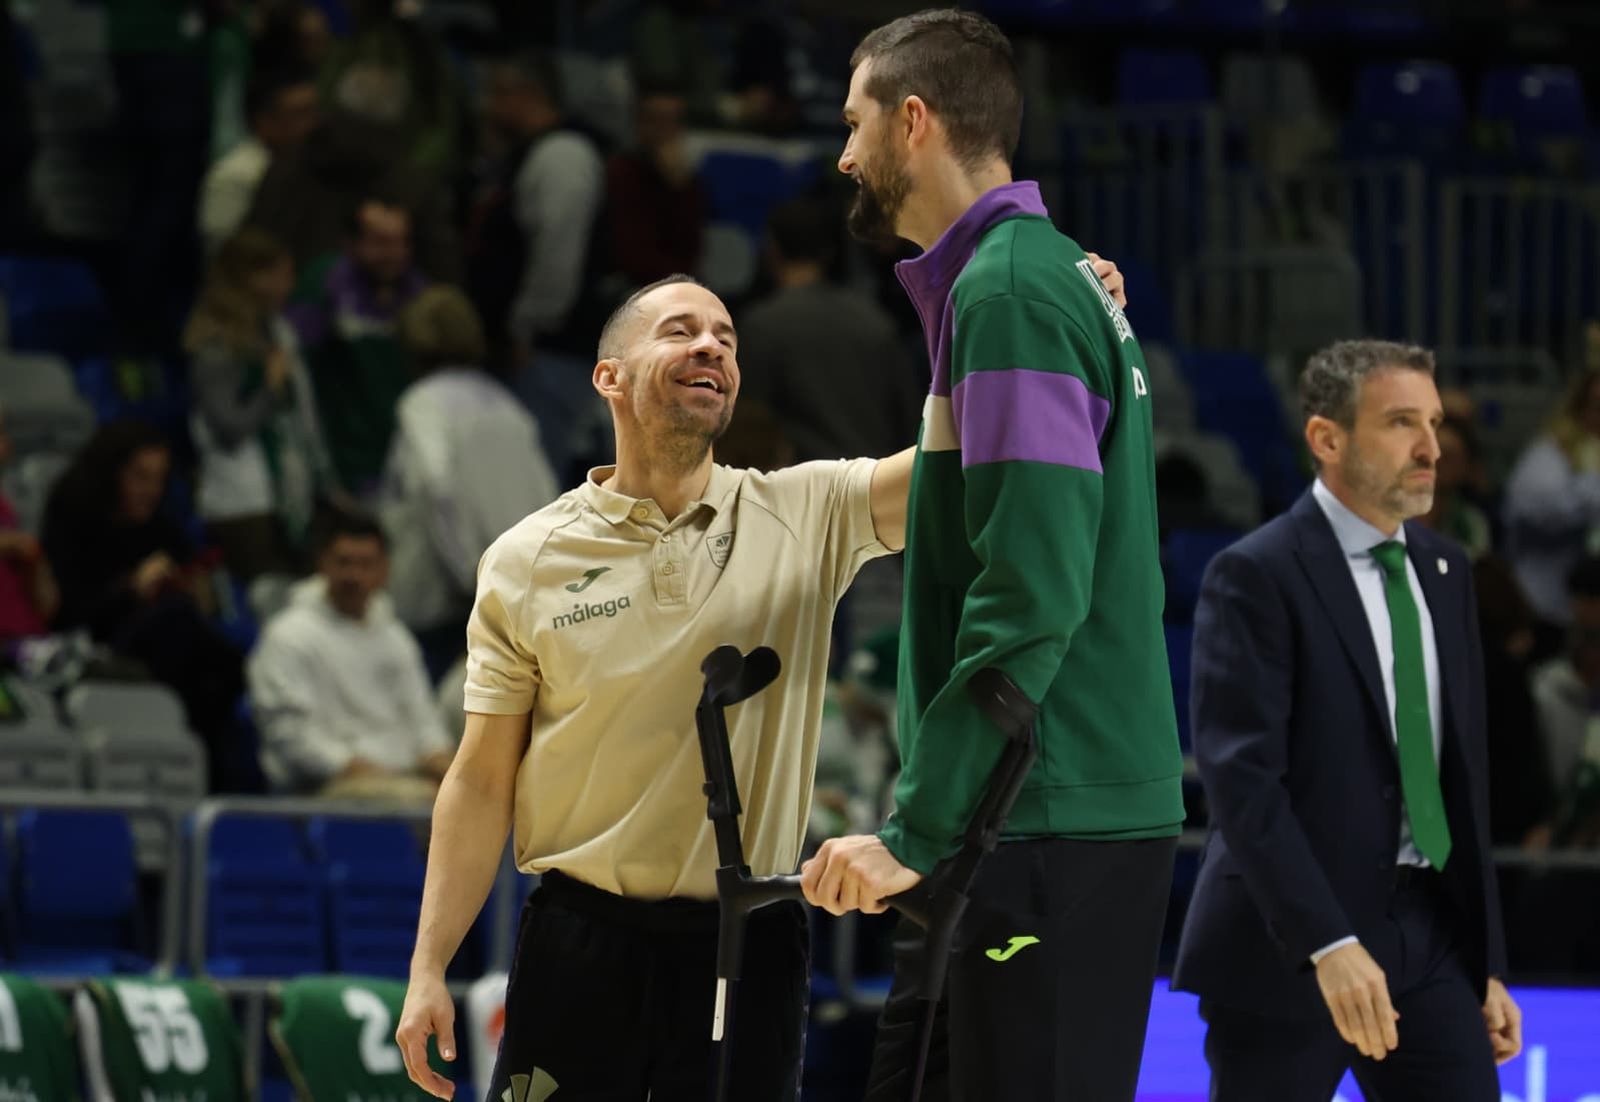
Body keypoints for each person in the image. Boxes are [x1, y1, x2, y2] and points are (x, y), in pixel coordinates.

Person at [389, 268, 1126, 1099]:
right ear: (608, 377)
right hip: (580, 937)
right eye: (680, 330)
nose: (711, 345)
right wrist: (428, 967)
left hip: (752, 937)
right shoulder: (525, 560)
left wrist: (1056, 322)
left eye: (726, 339)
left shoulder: (806, 510)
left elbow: (964, 465)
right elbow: (481, 778)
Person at [798, 12, 1183, 1102]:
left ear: (913, 122)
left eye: (855, 123)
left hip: (1044, 814)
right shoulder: (1033, 279)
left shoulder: (1011, 292)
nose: (844, 154)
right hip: (1034, 812)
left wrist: (915, 827)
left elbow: (1029, 593)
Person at [1171, 340, 1521, 1101]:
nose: (1432, 449)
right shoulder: (1256, 572)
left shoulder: (1447, 569)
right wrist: (1326, 941)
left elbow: (1461, 778)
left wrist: (1486, 959)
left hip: (1429, 934)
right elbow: (1243, 783)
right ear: (1327, 439)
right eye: (1401, 423)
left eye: (1433, 422)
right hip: (1290, 940)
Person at [40, 420, 246, 786]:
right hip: (95, 648)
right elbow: (65, 612)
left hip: (169, 651)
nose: (151, 490)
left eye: (159, 479)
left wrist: (195, 591)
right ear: (110, 473)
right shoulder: (71, 518)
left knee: (217, 657)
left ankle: (211, 774)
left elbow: (196, 589)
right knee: (175, 622)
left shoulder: (162, 528)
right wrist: (131, 588)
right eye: (140, 476)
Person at [380, 285, 559, 676]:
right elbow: (546, 495)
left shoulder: (422, 404)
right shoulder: (505, 403)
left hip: (447, 596)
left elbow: (437, 489)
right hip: (512, 590)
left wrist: (468, 575)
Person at [247, 509, 453, 802]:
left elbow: (424, 723)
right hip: (322, 789)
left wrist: (454, 773)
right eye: (344, 562)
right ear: (323, 564)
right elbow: (294, 740)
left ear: (384, 570)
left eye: (365, 564)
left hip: (405, 778)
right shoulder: (287, 636)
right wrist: (376, 775)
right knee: (426, 801)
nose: (354, 576)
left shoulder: (394, 636)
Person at [186, 228, 331, 582]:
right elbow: (230, 427)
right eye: (282, 275)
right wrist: (270, 388)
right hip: (243, 504)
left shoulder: (278, 331)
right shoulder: (215, 342)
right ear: (252, 278)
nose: (289, 286)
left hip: (290, 498)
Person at [738, 197, 924, 464]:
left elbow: (748, 430)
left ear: (772, 249)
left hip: (797, 484)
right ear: (830, 251)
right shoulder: (876, 322)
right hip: (876, 480)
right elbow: (910, 419)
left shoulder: (761, 326)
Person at [288, 198, 428, 497]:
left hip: (404, 450)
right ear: (350, 243)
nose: (394, 253)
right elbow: (294, 368)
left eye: (401, 242)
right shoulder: (326, 284)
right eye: (381, 242)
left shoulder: (417, 290)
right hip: (343, 456)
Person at [198, 64, 320, 257]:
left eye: (315, 111)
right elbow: (224, 253)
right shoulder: (235, 176)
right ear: (264, 121)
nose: (314, 124)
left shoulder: (314, 166)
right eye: (300, 114)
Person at [0, 403, 59, 643]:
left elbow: (48, 605)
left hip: (32, 645)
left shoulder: (5, 509)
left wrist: (35, 561)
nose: (6, 447)